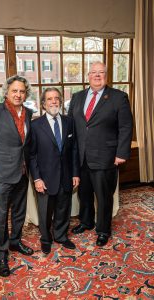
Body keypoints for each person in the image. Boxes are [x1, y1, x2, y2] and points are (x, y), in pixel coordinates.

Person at [68, 61, 133, 246]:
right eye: (93, 72)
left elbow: (126, 126)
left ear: (106, 75)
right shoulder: (77, 97)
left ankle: (103, 230)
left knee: (104, 196)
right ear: (88, 75)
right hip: (81, 157)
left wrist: (121, 153)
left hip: (106, 156)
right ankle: (86, 222)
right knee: (84, 193)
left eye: (101, 72)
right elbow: (72, 125)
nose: (97, 75)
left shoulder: (118, 97)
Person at [0, 75, 34, 277]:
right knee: (1, 215)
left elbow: (25, 144)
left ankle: (15, 241)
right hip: (3, 173)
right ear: (7, 92)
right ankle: (0, 254)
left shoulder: (28, 113)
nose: (18, 94)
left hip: (22, 171)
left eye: (22, 91)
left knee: (19, 211)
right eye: (15, 91)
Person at [30, 87, 80, 255]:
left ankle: (61, 235)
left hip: (66, 175)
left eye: (56, 98)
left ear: (60, 101)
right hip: (45, 178)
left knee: (63, 208)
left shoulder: (69, 122)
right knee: (45, 211)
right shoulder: (35, 125)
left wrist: (75, 173)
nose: (54, 101)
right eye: (49, 99)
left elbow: (74, 150)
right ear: (43, 104)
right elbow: (31, 155)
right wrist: (37, 178)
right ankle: (46, 239)